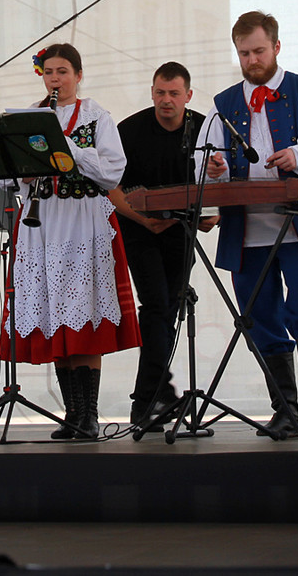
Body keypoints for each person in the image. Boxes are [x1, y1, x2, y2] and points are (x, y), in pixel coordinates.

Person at [196, 12, 298, 439]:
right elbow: (202, 160)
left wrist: (297, 155)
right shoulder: (222, 105)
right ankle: (284, 411)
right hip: (245, 232)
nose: (251, 60)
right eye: (244, 53)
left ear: (276, 47)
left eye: (258, 51)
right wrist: (214, 168)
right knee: (259, 317)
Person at [1, 43, 139, 440]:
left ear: (78, 75)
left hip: (83, 220)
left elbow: (112, 172)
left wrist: (69, 147)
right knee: (54, 314)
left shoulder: (96, 116)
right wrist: (24, 171)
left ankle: (89, 415)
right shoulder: (29, 117)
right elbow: (8, 175)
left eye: (63, 72)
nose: (55, 79)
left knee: (83, 312)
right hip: (42, 220)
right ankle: (73, 413)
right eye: (49, 72)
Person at [108, 61, 214, 430]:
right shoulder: (130, 130)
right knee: (156, 304)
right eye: (160, 92)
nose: (166, 100)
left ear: (188, 95)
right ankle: (147, 399)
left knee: (169, 307)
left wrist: (211, 213)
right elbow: (111, 188)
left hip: (180, 230)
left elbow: (216, 180)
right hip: (138, 228)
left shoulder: (204, 129)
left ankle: (156, 394)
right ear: (152, 93)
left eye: (173, 93)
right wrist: (144, 220)